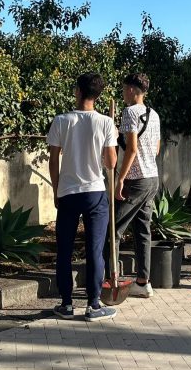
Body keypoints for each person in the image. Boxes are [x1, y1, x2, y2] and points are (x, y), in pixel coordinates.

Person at [48, 72, 119, 321]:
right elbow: (110, 163)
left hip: (67, 191)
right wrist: (111, 139)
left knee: (65, 249)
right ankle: (93, 305)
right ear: (97, 96)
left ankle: (66, 304)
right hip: (95, 192)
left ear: (78, 91)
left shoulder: (61, 120)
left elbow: (53, 159)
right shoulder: (106, 123)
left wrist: (56, 189)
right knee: (95, 249)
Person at [105, 73, 161, 298]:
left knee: (114, 229)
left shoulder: (129, 112)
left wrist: (120, 178)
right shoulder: (154, 115)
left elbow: (132, 149)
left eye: (124, 88)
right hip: (152, 178)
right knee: (142, 230)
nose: (122, 92)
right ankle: (143, 281)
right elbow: (155, 149)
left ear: (132, 90)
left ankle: (111, 279)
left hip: (135, 180)